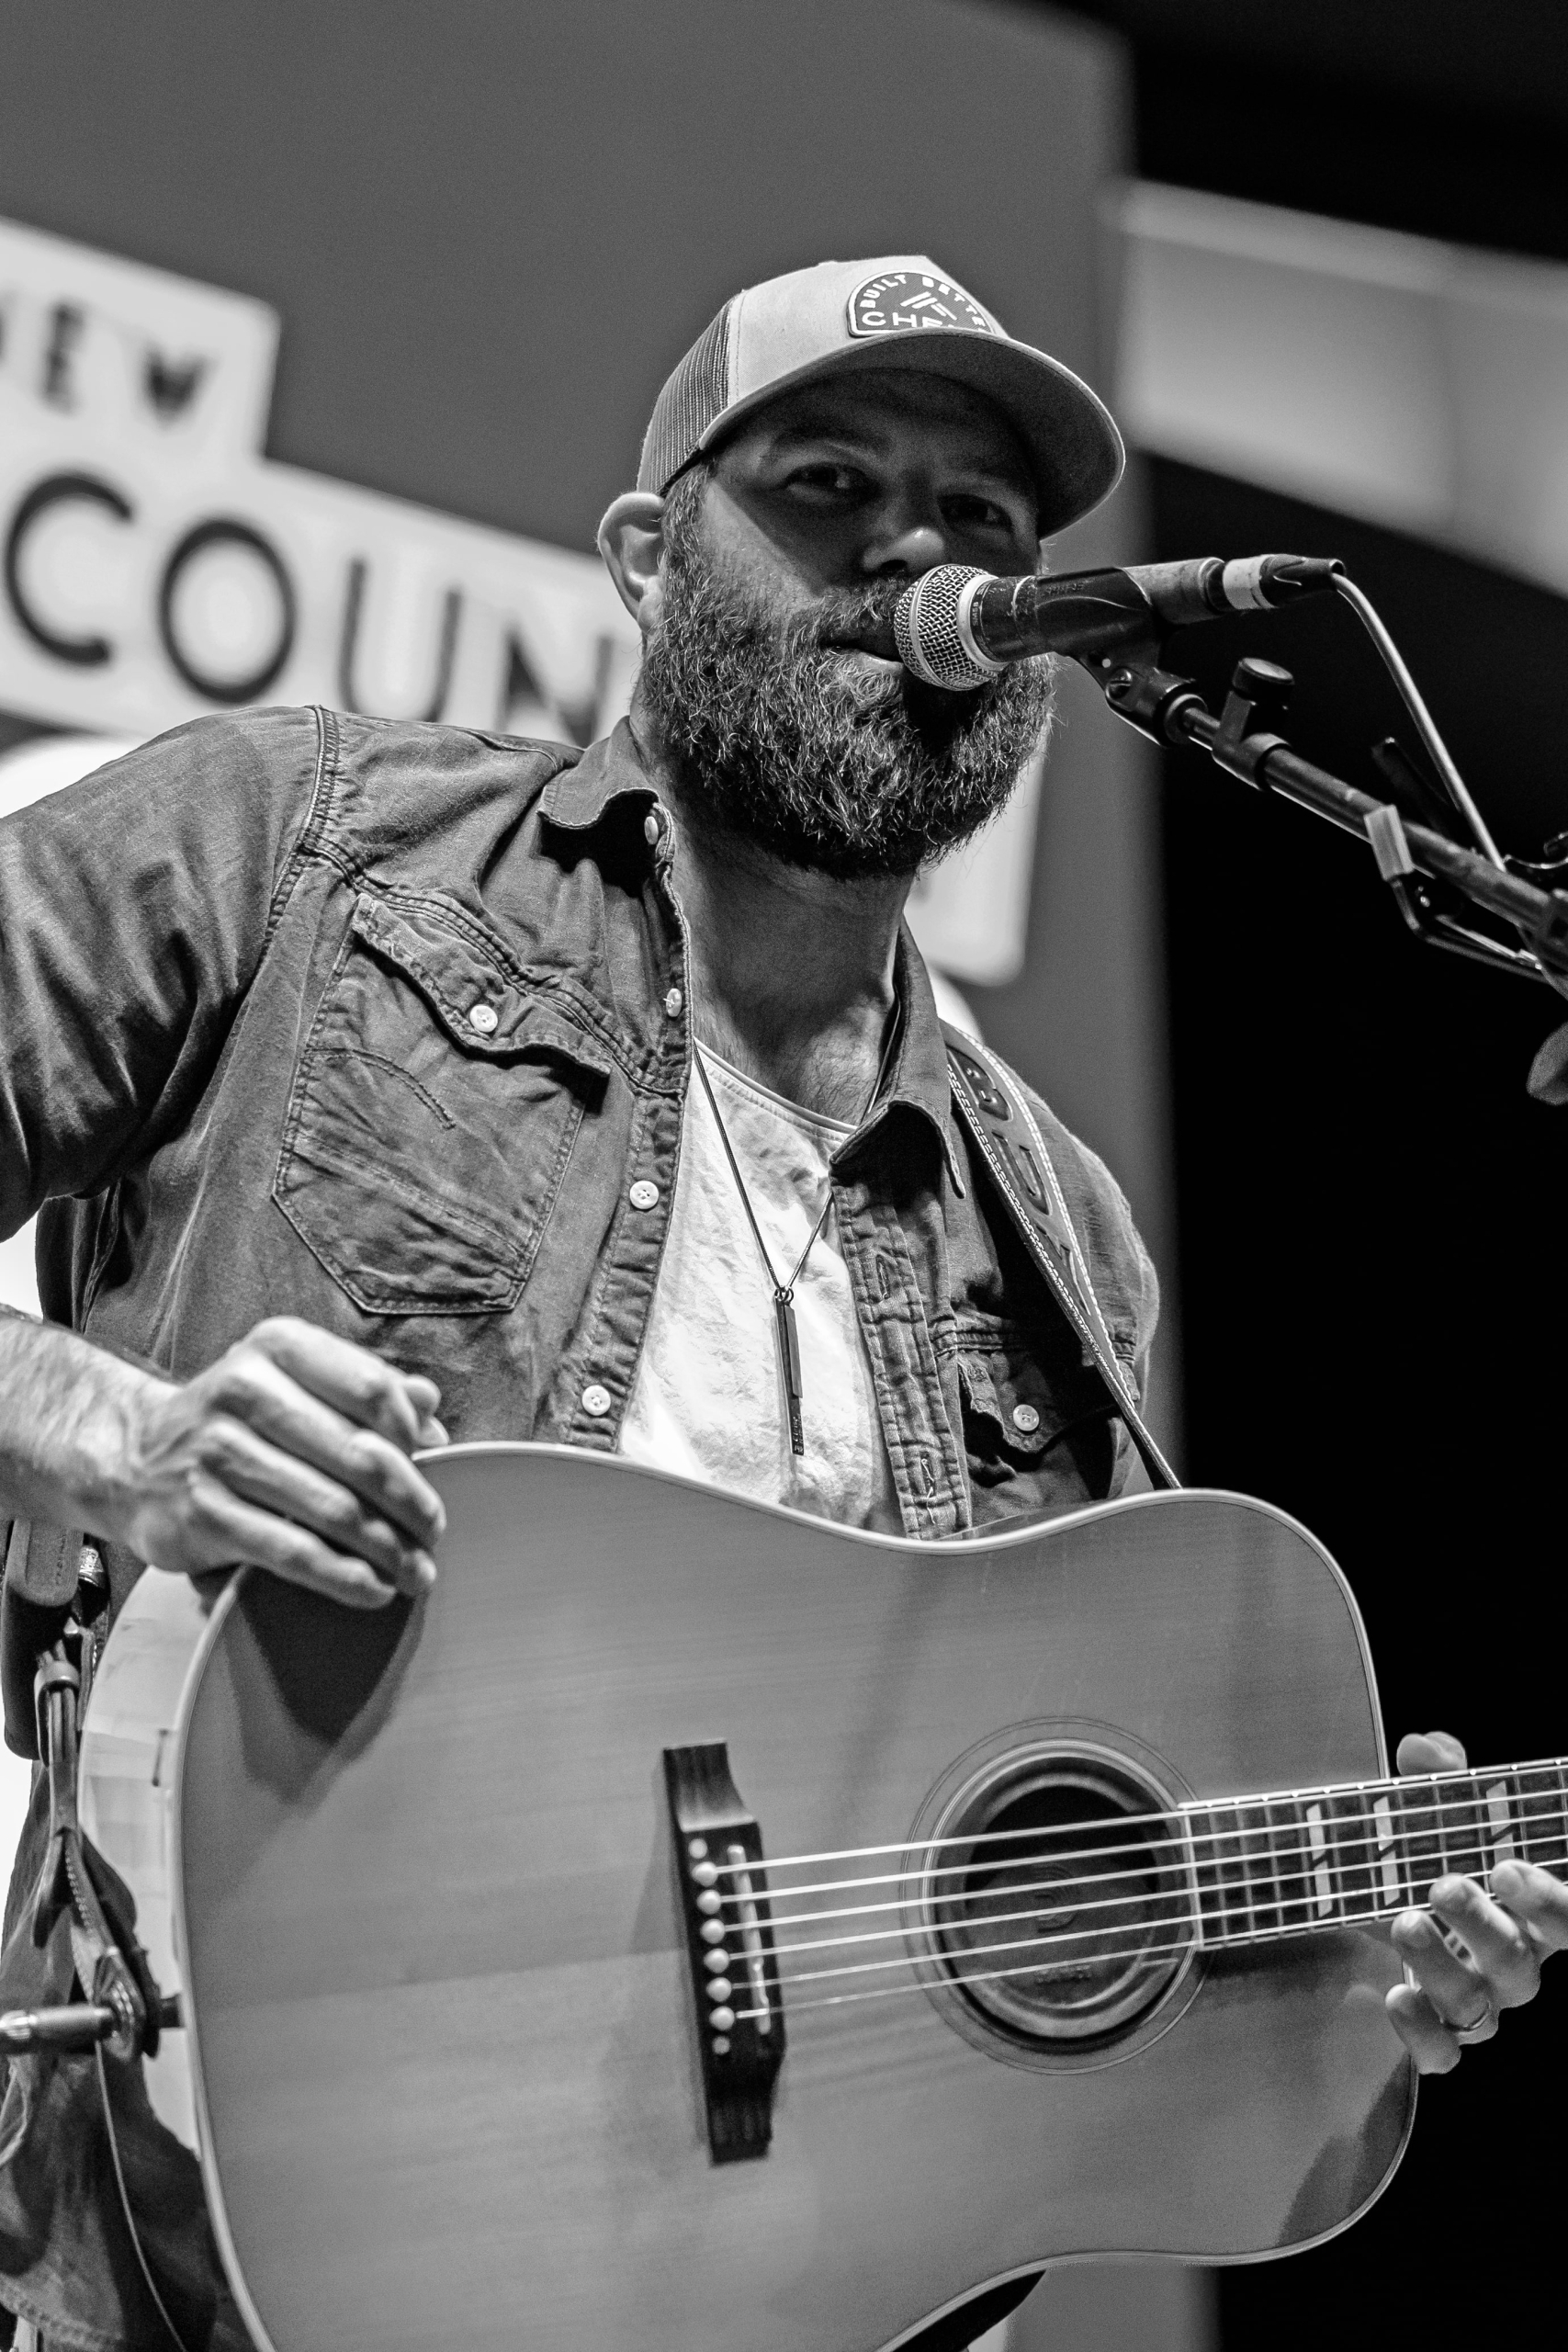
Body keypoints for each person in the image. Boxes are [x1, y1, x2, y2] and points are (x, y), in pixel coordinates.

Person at [0, 254, 1562, 2351]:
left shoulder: (1062, 1231)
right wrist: (117, 1434)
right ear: (648, 558)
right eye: (830, 485)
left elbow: (984, 1899)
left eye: (984, 519)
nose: (922, 554)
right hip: (192, 2247)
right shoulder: (296, 847)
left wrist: (1348, 1952)